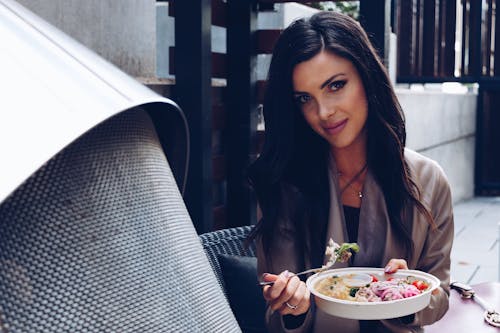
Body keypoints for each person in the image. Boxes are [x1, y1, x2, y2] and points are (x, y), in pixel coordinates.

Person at [247, 10, 454, 333]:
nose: (323, 112)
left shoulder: (428, 180)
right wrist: (292, 307)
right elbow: (275, 315)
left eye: (336, 85)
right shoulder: (286, 185)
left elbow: (439, 295)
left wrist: (408, 295)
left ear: (367, 77)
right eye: (304, 98)